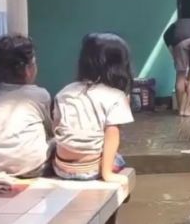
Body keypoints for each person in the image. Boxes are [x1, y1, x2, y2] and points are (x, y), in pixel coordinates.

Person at [52, 33, 133, 183]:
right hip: (90, 170)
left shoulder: (65, 91)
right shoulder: (116, 96)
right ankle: (108, 171)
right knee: (119, 159)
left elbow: (56, 126)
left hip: (61, 168)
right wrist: (107, 173)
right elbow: (112, 134)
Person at [0, 35, 53, 178]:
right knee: (60, 141)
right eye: (34, 62)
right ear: (27, 70)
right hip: (35, 166)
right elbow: (51, 128)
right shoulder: (40, 95)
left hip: (1, 165)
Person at [163, 18, 190, 116]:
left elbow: (166, 36)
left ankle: (181, 110)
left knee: (180, 76)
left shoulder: (176, 24)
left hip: (180, 43)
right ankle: (188, 109)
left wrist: (173, 53)